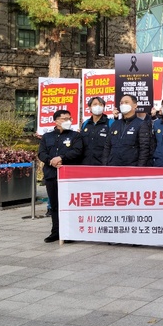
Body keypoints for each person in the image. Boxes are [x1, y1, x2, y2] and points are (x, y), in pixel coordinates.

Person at [38, 109, 83, 243]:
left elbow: (77, 151)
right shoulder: (47, 137)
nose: (68, 121)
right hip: (52, 174)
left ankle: (70, 233)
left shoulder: (75, 136)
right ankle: (56, 232)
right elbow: (41, 153)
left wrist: (61, 158)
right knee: (55, 205)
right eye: (64, 119)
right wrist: (51, 161)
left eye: (69, 118)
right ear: (56, 121)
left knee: (69, 205)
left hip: (68, 175)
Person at [102, 94, 152, 166]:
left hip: (131, 167)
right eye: (121, 103)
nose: (123, 105)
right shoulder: (115, 124)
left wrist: (140, 168)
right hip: (113, 166)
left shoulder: (141, 124)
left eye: (126, 102)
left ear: (135, 105)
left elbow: (144, 149)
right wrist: (105, 164)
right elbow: (107, 147)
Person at [80, 97, 110, 165]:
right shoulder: (85, 124)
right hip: (85, 163)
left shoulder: (110, 123)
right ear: (90, 108)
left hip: (103, 164)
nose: (98, 106)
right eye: (95, 104)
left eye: (100, 104)